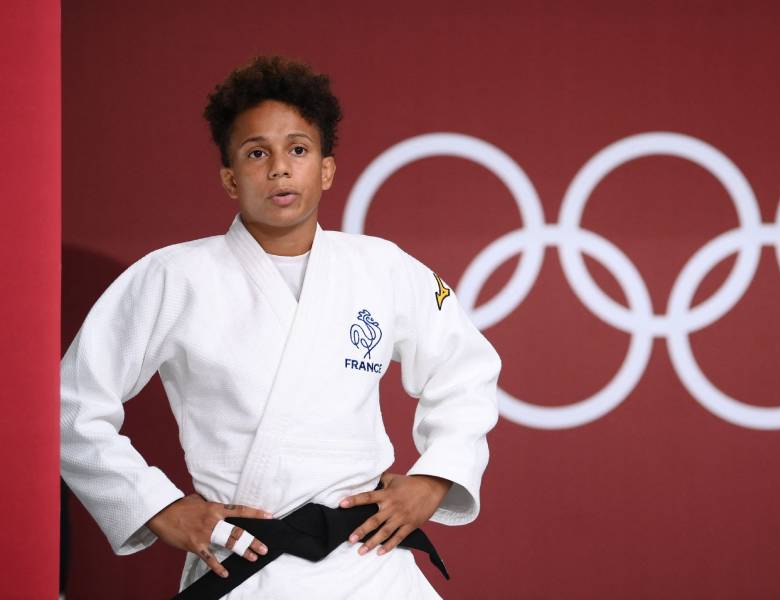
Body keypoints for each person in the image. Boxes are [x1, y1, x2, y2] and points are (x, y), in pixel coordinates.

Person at [59, 55, 501, 599]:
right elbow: (70, 406)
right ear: (228, 178)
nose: (279, 168)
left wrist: (435, 478)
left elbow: (466, 371)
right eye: (256, 153)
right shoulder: (172, 276)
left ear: (326, 169)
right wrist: (157, 506)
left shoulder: (382, 267)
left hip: (372, 564)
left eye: (298, 149)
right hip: (246, 566)